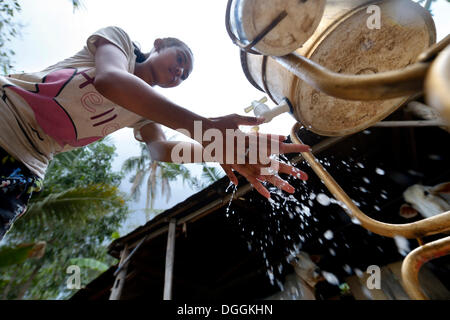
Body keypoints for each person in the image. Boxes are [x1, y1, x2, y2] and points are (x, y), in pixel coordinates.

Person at [0, 26, 310, 240]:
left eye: (184, 75)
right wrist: (205, 129)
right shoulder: (118, 41)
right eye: (180, 60)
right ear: (159, 43)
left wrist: (217, 148)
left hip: (26, 167)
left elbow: (161, 150)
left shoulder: (143, 112)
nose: (179, 73)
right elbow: (110, 80)